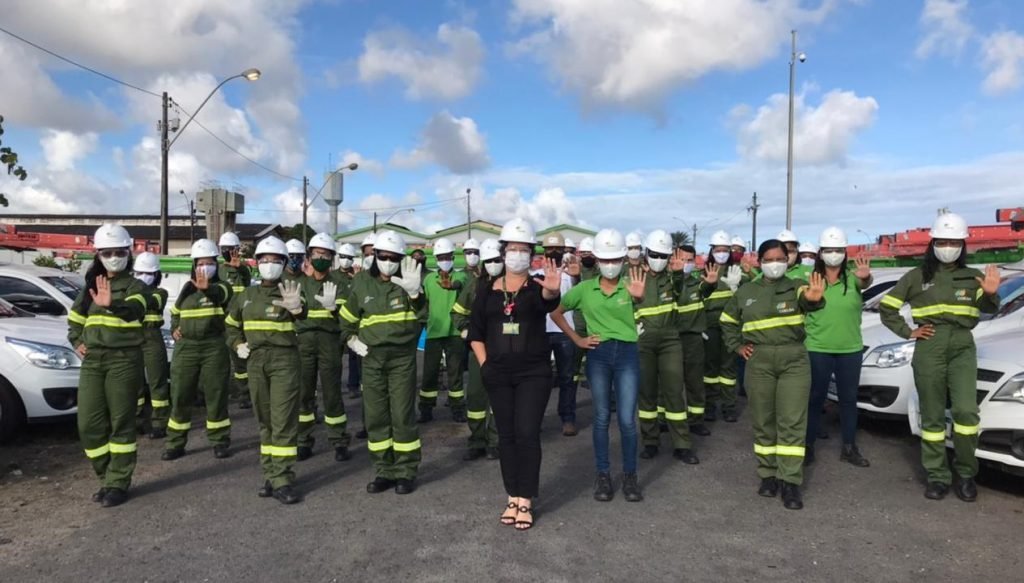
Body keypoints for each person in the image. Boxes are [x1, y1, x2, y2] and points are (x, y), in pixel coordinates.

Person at [879, 212, 1000, 502]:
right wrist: (908, 331)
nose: (948, 247)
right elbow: (887, 307)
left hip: (962, 346)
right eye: (942, 241)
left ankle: (967, 473)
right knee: (931, 413)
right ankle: (937, 476)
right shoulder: (917, 276)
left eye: (954, 242)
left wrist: (990, 294)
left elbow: (990, 309)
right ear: (932, 243)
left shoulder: (973, 277)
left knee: (966, 412)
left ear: (963, 245)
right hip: (929, 345)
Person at [469, 218, 562, 530]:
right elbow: (476, 333)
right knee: (506, 435)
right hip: (497, 374)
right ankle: (512, 495)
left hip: (533, 373)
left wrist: (552, 291)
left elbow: (548, 303)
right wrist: (485, 365)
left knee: (527, 433)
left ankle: (526, 499)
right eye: (513, 249)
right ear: (503, 252)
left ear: (531, 255)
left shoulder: (536, 289)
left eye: (524, 250)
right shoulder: (486, 290)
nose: (518, 254)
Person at [720, 239, 826, 510]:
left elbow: (809, 300)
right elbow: (727, 321)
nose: (775, 264)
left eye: (780, 258)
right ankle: (768, 474)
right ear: (760, 262)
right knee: (763, 419)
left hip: (794, 360)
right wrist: (737, 346)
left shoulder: (796, 286)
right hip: (759, 360)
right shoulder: (747, 291)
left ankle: (790, 481)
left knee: (792, 421)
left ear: (788, 260)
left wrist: (814, 299)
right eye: (768, 260)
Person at [552, 228, 645, 503]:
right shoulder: (584, 289)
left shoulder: (631, 284)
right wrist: (577, 339)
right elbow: (556, 312)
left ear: (623, 259)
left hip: (627, 353)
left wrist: (639, 298)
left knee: (627, 420)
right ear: (597, 259)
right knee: (602, 416)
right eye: (605, 259)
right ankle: (603, 475)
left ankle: (630, 476)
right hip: (598, 354)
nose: (610, 264)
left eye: (615, 259)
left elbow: (643, 306)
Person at [68, 223, 156, 507]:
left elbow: (136, 309)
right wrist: (76, 340)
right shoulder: (91, 286)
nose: (114, 257)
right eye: (107, 253)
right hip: (93, 361)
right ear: (98, 255)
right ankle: (106, 476)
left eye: (119, 252)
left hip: (124, 360)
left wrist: (112, 305)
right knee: (88, 425)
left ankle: (118, 482)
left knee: (121, 423)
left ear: (129, 253)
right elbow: (75, 319)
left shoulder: (136, 286)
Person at [339, 230, 427, 495]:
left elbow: (424, 316)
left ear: (401, 259)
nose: (388, 262)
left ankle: (405, 471)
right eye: (383, 256)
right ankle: (383, 470)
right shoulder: (361, 283)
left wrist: (416, 295)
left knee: (402, 415)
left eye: (394, 258)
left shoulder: (409, 281)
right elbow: (347, 318)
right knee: (376, 416)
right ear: (375, 256)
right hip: (371, 358)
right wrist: (351, 339)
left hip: (402, 358)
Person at [225, 236, 308, 505]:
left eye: (275, 260)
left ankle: (283, 478)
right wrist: (237, 344)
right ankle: (271, 474)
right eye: (264, 259)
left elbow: (302, 313)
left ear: (284, 263)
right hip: (256, 361)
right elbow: (230, 325)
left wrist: (297, 308)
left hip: (284, 360)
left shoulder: (290, 290)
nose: (269, 264)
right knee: (265, 421)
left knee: (282, 419)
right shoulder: (246, 296)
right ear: (257, 262)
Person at [804, 227, 873, 468]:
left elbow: (866, 281)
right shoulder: (811, 280)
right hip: (817, 348)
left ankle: (849, 447)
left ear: (844, 253)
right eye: (829, 249)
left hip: (850, 350)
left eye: (838, 249)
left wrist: (865, 276)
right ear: (821, 252)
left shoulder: (853, 279)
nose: (833, 254)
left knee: (848, 400)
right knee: (815, 398)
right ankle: (807, 446)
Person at [163, 239, 234, 461]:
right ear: (194, 265)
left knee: (216, 394)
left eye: (210, 263)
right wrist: (175, 328)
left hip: (213, 346)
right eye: (201, 263)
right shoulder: (187, 289)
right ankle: (175, 442)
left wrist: (207, 289)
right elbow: (175, 312)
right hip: (186, 347)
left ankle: (219, 440)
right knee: (180, 394)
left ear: (216, 265)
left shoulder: (222, 287)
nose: (205, 267)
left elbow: (222, 296)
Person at [635, 230, 699, 464]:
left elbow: (682, 294)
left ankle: (682, 444)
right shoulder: (633, 276)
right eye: (654, 254)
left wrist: (679, 273)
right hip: (643, 341)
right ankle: (650, 441)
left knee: (674, 392)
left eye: (663, 255)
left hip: (670, 341)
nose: (659, 259)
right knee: (647, 393)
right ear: (646, 253)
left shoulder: (673, 278)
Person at [296, 233, 352, 462]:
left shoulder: (340, 284)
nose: (321, 258)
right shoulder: (300, 283)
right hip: (304, 342)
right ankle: (303, 441)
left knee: (332, 394)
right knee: (304, 393)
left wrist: (334, 309)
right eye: (318, 254)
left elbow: (348, 316)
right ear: (310, 256)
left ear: (332, 258)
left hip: (330, 341)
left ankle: (339, 441)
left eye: (326, 254)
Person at [452, 238, 502, 461]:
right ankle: (477, 441)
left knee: (499, 397)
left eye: (497, 260)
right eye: (489, 261)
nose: (493, 265)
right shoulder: (474, 286)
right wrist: (465, 331)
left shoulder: (512, 285)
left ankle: (496, 441)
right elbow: (457, 312)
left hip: (504, 350)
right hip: (478, 349)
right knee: (475, 397)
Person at [418, 237, 468, 423]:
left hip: (454, 333)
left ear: (453, 258)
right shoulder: (429, 280)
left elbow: (461, 284)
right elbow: (424, 304)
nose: (444, 260)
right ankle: (426, 409)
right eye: (441, 257)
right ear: (436, 259)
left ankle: (457, 409)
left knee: (455, 374)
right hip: (434, 332)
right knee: (429, 374)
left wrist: (452, 285)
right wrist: (425, 322)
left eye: (447, 257)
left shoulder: (460, 276)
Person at [538, 232, 579, 437]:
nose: (553, 252)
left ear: (564, 251)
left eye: (558, 249)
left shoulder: (572, 275)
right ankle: (536, 418)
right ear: (544, 251)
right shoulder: (536, 274)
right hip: (541, 332)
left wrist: (577, 276)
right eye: (550, 249)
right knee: (539, 379)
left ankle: (568, 418)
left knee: (567, 378)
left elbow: (581, 294)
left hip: (565, 331)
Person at [703, 230, 744, 423]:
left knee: (729, 368)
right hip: (709, 325)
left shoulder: (736, 272)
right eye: (718, 250)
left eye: (725, 250)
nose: (722, 253)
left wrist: (736, 288)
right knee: (710, 368)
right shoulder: (703, 273)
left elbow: (746, 299)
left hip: (730, 326)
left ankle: (729, 406)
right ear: (712, 251)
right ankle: (709, 405)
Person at [131, 252, 170, 439]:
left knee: (157, 381)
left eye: (147, 273)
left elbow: (152, 301)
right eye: (139, 273)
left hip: (152, 337)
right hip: (133, 337)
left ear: (156, 275)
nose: (143, 277)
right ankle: (137, 420)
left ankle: (159, 423)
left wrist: (134, 291)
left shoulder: (160, 293)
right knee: (134, 383)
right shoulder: (131, 291)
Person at [674, 244, 711, 437]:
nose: (686, 264)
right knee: (669, 383)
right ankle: (664, 420)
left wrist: (712, 283)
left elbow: (709, 288)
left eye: (689, 260)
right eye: (682, 259)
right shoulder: (668, 283)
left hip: (694, 339)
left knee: (695, 382)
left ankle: (696, 420)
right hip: (672, 339)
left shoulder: (699, 283)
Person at [218, 232, 252, 409]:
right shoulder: (218, 270)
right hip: (222, 322)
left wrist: (240, 268)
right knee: (218, 361)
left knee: (241, 360)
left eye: (231, 249)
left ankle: (245, 394)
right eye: (225, 249)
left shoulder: (243, 269)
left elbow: (248, 281)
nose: (228, 252)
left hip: (240, 322)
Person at [335, 242, 362, 399]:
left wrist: (357, 278)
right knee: (335, 357)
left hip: (353, 323)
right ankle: (334, 386)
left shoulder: (358, 275)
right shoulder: (332, 275)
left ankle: (353, 386)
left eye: (349, 257)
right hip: (335, 321)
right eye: (343, 256)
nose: (345, 260)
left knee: (354, 356)